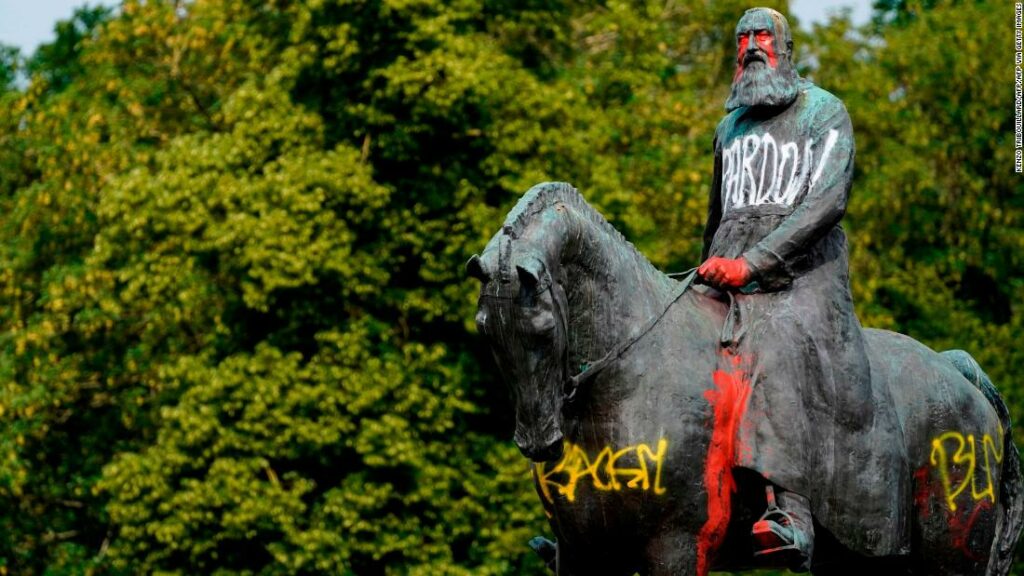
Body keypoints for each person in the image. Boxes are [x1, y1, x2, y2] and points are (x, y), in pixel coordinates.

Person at [697, 7, 909, 571]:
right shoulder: (728, 128)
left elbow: (826, 204)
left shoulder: (824, 112)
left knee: (775, 339)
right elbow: (717, 216)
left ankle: (791, 513)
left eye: (762, 36)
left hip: (804, 284)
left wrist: (754, 265)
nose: (751, 46)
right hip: (736, 278)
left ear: (785, 47)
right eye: (742, 39)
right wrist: (705, 272)